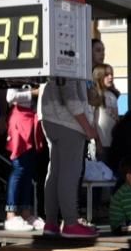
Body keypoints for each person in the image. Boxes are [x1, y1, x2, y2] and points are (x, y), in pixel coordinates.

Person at [38, 77, 99, 238]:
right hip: (68, 122)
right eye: (98, 49)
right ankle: (70, 223)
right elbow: (69, 93)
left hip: (50, 118)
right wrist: (88, 128)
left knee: (55, 171)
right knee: (69, 173)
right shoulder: (73, 56)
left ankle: (51, 223)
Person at [3, 86, 44, 232]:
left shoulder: (35, 76)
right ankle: (11, 213)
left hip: (32, 120)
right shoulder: (17, 74)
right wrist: (34, 92)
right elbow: (10, 96)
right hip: (19, 120)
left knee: (28, 170)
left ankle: (26, 213)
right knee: (18, 168)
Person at [90, 64, 120, 164]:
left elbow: (116, 119)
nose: (111, 77)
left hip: (113, 143)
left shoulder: (112, 95)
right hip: (101, 143)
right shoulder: (95, 95)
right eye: (106, 74)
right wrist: (97, 142)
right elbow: (93, 122)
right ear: (99, 76)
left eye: (111, 74)